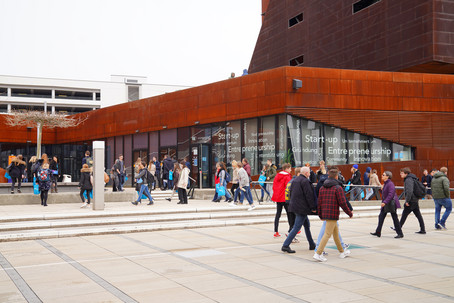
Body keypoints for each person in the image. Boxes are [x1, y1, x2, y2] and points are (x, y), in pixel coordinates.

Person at [313, 167, 353, 262]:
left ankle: (342, 251)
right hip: (333, 213)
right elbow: (343, 203)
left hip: (327, 213)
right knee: (327, 234)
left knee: (335, 234)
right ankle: (318, 253)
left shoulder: (323, 188)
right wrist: (349, 212)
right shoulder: (338, 188)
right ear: (336, 176)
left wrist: (320, 215)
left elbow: (320, 202)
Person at [281, 166, 317, 253]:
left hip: (295, 206)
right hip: (302, 208)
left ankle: (311, 244)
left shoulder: (295, 180)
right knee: (296, 227)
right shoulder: (305, 181)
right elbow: (309, 196)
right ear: (306, 173)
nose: (309, 174)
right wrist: (313, 207)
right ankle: (285, 245)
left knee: (307, 225)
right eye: (309, 172)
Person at [370, 171, 403, 238]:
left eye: (383, 175)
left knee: (395, 218)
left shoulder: (390, 184)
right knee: (381, 217)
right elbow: (385, 194)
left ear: (387, 176)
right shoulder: (386, 184)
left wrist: (385, 202)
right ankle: (378, 232)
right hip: (387, 203)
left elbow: (391, 194)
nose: (382, 176)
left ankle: (400, 233)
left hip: (390, 204)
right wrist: (381, 190)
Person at [398, 167, 426, 234]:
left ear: (406, 173)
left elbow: (409, 191)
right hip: (414, 199)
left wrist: (407, 201)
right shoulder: (412, 178)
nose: (400, 174)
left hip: (411, 200)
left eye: (402, 173)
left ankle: (398, 228)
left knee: (404, 214)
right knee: (418, 215)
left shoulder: (408, 179)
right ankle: (423, 229)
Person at [272, 163, 293, 237]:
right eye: (290, 168)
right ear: (286, 169)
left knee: (278, 214)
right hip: (285, 198)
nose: (290, 170)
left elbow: (274, 186)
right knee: (289, 214)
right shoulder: (287, 176)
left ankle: (276, 231)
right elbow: (289, 187)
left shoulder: (277, 175)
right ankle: (291, 229)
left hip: (278, 198)